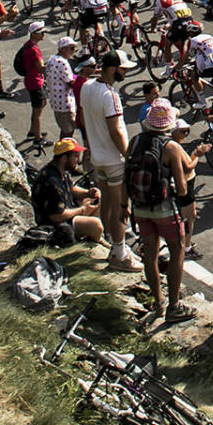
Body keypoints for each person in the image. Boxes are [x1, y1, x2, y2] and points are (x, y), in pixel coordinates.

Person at [128, 100, 195, 323]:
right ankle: (174, 306)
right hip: (164, 208)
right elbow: (182, 186)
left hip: (139, 207)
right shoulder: (171, 147)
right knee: (177, 250)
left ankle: (158, 301)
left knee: (150, 253)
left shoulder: (135, 141)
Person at [79, 52, 138, 271]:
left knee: (106, 203)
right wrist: (128, 157)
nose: (126, 72)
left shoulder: (86, 87)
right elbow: (115, 131)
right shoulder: (110, 95)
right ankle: (120, 253)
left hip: (97, 156)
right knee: (120, 207)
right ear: (112, 69)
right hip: (114, 159)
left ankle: (112, 244)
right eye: (123, 69)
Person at [30, 137, 103, 240]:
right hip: (57, 227)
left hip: (67, 213)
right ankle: (91, 242)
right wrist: (82, 210)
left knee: (97, 200)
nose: (78, 160)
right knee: (96, 225)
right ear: (64, 158)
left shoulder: (60, 170)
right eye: (76, 156)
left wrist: (88, 193)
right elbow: (56, 216)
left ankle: (89, 234)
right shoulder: (51, 182)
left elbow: (70, 188)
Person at [14, 21, 48, 147]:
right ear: (34, 34)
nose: (43, 35)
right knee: (37, 111)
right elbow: (41, 68)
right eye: (41, 33)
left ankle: (33, 130)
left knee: (42, 103)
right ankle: (37, 138)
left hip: (32, 80)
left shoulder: (28, 45)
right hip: (35, 81)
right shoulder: (34, 50)